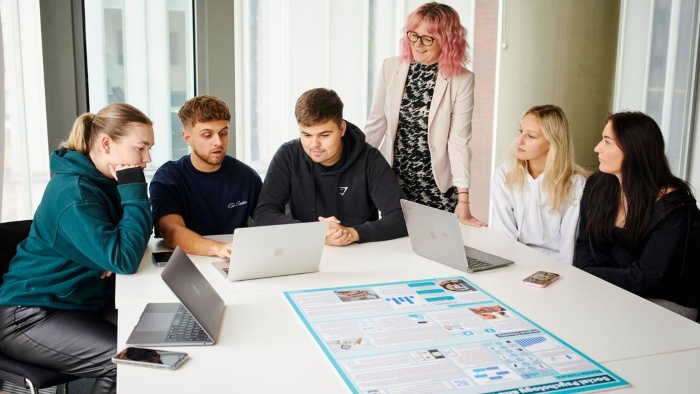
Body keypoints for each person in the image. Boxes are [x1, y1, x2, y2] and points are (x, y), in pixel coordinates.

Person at [0, 103, 154, 394]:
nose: (147, 159)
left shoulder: (106, 182)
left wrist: (112, 253)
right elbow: (124, 257)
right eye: (141, 148)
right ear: (106, 143)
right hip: (30, 316)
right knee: (130, 361)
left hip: (78, 305)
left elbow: (136, 238)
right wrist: (134, 189)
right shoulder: (74, 193)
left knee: (158, 341)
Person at [365, 2, 484, 227]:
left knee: (436, 251)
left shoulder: (462, 80)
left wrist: (464, 200)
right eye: (413, 35)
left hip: (436, 185)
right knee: (395, 246)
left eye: (427, 38)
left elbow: (459, 141)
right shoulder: (390, 67)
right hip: (393, 181)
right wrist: (353, 168)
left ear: (447, 41)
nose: (418, 44)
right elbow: (377, 123)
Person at [574, 111, 700, 320]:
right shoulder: (598, 185)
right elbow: (584, 244)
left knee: (597, 319)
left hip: (666, 299)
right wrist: (587, 280)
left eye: (607, 142)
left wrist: (586, 278)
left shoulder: (675, 208)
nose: (597, 148)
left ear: (633, 150)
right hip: (612, 289)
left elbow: (647, 277)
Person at [254, 88, 408, 246]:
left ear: (342, 128)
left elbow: (402, 217)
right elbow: (264, 213)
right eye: (306, 135)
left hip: (359, 253)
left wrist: (351, 233)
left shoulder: (369, 158)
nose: (314, 145)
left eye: (324, 135)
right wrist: (314, 232)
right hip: (303, 250)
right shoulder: (288, 155)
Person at [150, 95, 262, 258]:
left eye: (223, 133)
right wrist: (218, 249)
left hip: (232, 261)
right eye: (207, 135)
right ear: (188, 138)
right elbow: (172, 232)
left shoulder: (247, 177)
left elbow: (267, 224)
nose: (218, 142)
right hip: (184, 263)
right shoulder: (168, 178)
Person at [490, 105, 587, 264]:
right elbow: (503, 238)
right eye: (520, 131)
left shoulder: (575, 183)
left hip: (555, 270)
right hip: (512, 264)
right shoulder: (504, 174)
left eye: (531, 136)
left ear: (553, 141)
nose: (519, 140)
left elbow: (568, 248)